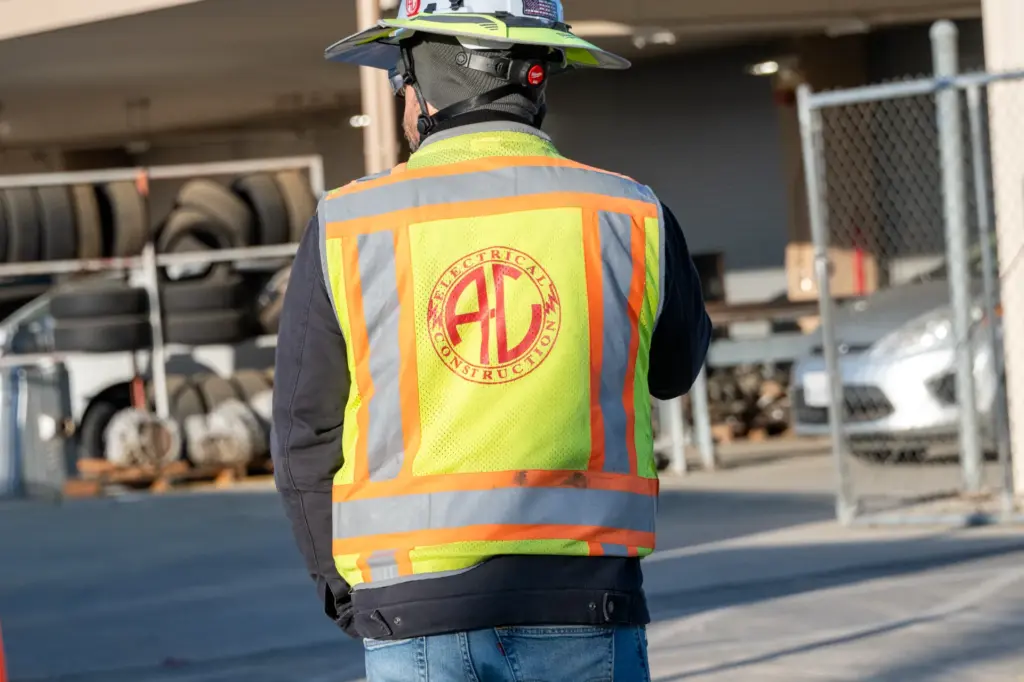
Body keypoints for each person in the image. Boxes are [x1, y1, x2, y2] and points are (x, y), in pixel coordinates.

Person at [271, 2, 712, 680]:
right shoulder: (631, 215)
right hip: (585, 599)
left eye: (400, 74)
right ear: (537, 76)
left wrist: (341, 588)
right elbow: (675, 370)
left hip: (410, 610)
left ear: (426, 74)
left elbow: (305, 438)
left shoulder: (346, 226)